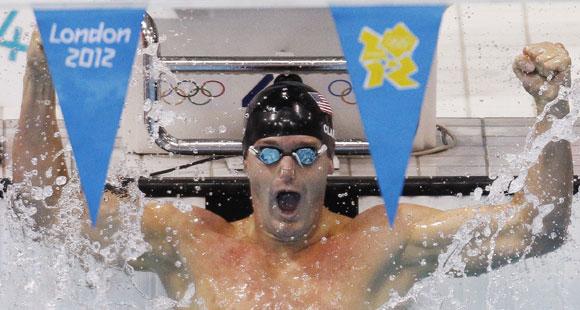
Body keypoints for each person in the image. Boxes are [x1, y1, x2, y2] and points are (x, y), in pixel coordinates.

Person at [12, 31, 573, 309]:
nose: (288, 170)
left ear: (328, 163)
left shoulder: (383, 243)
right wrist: (40, 77)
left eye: (306, 154)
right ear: (244, 163)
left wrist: (553, 107)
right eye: (271, 153)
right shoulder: (189, 243)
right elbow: (44, 210)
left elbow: (537, 230)